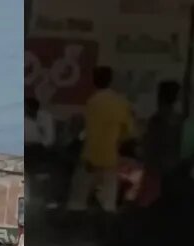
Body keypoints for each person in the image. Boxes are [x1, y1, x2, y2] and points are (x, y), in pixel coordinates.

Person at [67, 66, 135, 214]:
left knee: (77, 201)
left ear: (94, 81)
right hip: (110, 159)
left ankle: (75, 231)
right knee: (109, 203)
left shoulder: (92, 102)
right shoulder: (120, 103)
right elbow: (128, 132)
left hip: (89, 159)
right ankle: (106, 233)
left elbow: (84, 130)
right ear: (110, 80)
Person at [140, 80, 184, 205]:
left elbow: (151, 146)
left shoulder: (157, 119)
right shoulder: (179, 119)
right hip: (173, 169)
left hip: (156, 170)